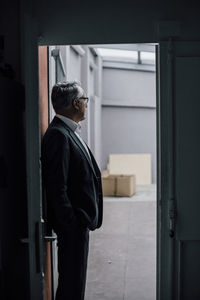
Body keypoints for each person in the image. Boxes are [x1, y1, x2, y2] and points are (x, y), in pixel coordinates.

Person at [41, 81, 103, 300]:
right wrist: (72, 224)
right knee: (71, 287)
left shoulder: (68, 131)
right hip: (72, 228)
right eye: (85, 100)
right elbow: (57, 187)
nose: (86, 105)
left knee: (74, 284)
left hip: (77, 225)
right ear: (76, 103)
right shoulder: (59, 135)